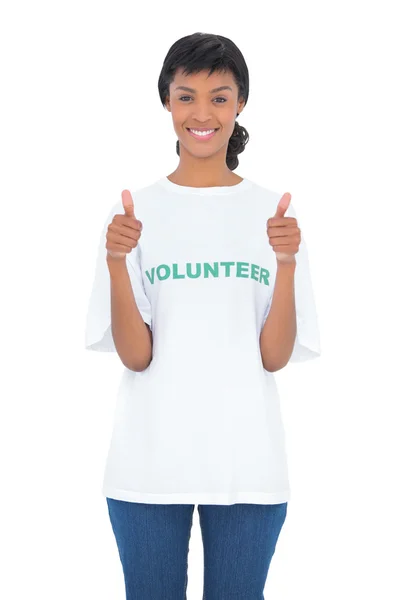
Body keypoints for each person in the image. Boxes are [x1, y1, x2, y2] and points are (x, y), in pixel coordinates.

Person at [84, 32, 321, 600]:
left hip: (248, 464)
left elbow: (274, 356)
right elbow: (137, 356)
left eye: (219, 97)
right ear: (166, 101)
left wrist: (285, 264)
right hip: (147, 463)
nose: (202, 113)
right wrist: (118, 261)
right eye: (186, 95)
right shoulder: (132, 213)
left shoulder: (272, 214)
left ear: (240, 104)